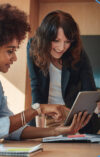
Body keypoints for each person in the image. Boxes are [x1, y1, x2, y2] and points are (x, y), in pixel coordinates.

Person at [0, 4, 91, 140]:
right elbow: (3, 127)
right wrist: (38, 109)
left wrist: (56, 131)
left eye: (67, 42)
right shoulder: (35, 48)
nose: (15, 57)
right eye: (10, 51)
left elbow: (11, 129)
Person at [27, 10, 100, 133]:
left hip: (75, 118)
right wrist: (38, 124)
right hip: (48, 117)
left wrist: (96, 105)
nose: (61, 48)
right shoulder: (34, 47)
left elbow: (90, 91)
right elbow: (36, 87)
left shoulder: (77, 52)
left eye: (67, 42)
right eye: (56, 40)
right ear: (45, 37)